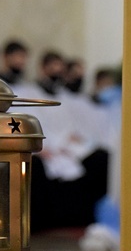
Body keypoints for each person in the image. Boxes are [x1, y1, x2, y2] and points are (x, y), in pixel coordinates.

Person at [21, 50, 111, 233]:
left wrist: (71, 142)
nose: (56, 72)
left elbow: (74, 127)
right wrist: (48, 146)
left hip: (67, 149)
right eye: (52, 67)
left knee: (101, 159)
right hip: (45, 148)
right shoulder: (28, 94)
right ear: (43, 68)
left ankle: (87, 219)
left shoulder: (65, 98)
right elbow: (32, 126)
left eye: (59, 68)